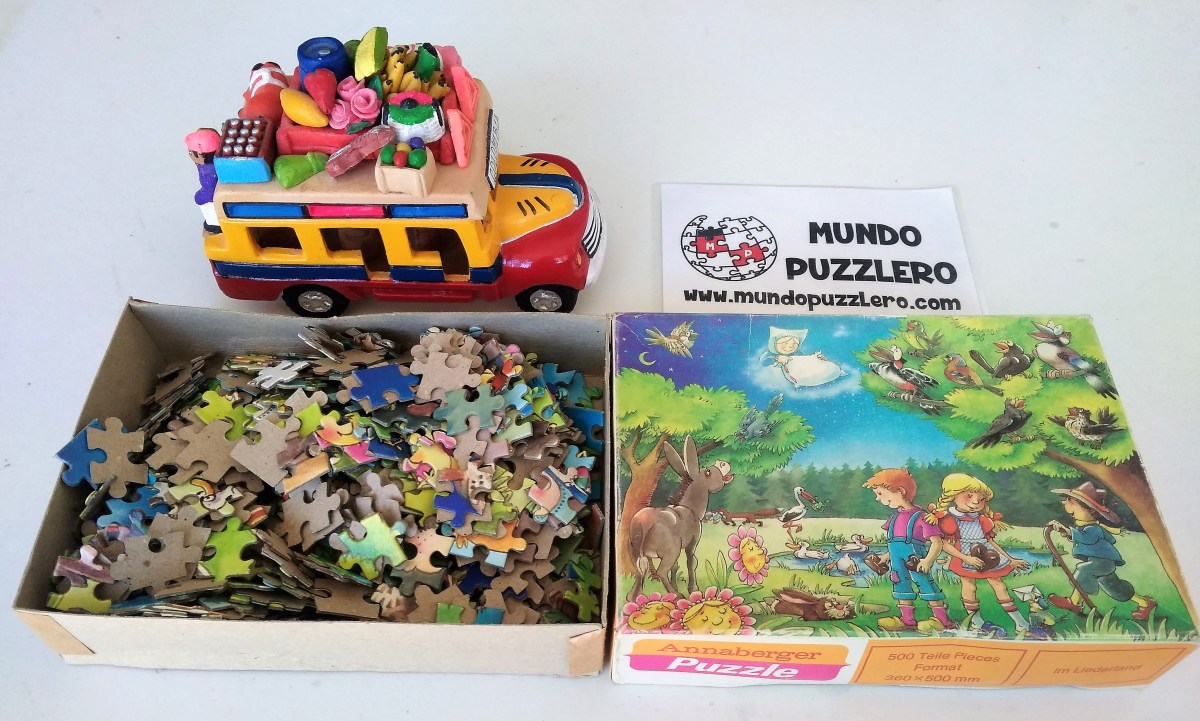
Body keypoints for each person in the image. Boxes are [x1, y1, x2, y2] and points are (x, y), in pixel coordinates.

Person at [925, 473, 1030, 634]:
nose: (975, 502)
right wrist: (965, 558)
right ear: (953, 496)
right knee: (969, 586)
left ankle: (1021, 624)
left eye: (981, 499)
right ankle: (976, 623)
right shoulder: (949, 520)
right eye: (969, 496)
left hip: (987, 554)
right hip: (965, 555)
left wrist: (1010, 559)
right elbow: (944, 545)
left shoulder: (981, 520)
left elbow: (990, 542)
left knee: (1000, 586)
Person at [1047, 481, 1157, 621]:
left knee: (1084, 570)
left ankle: (1074, 602)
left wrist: (1068, 531)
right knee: (1114, 588)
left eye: (1072, 503)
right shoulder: (1087, 527)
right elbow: (1082, 538)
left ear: (1090, 510)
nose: (1065, 504)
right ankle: (1145, 603)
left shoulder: (1093, 529)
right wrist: (1068, 533)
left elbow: (1087, 538)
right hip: (1102, 564)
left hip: (1103, 563)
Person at [862, 468, 952, 633]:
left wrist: (928, 560)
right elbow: (895, 544)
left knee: (925, 584)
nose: (877, 498)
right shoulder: (894, 517)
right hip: (897, 561)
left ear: (900, 491)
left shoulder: (922, 517)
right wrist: (886, 557)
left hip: (916, 561)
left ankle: (942, 621)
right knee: (900, 584)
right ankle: (906, 619)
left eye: (880, 493)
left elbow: (937, 543)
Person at [184, 128, 222, 233]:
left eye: (191, 153)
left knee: (207, 207)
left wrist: (198, 197)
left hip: (217, 202)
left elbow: (210, 192)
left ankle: (214, 227)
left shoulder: (207, 172)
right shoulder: (214, 164)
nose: (190, 155)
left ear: (200, 155)